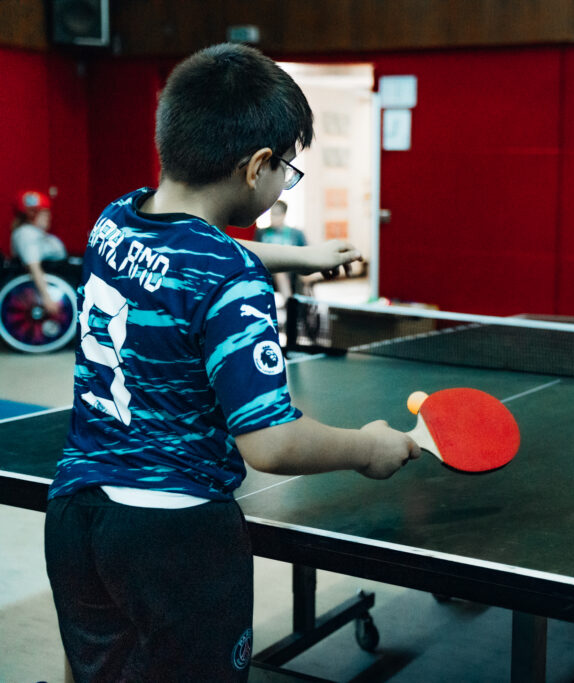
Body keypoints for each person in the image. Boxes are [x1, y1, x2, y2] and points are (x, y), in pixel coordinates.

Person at [44, 43, 419, 681]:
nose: (283, 187)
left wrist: (297, 257)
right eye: (287, 173)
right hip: (175, 537)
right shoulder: (232, 280)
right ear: (258, 166)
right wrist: (368, 447)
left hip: (78, 516)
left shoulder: (115, 220)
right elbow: (271, 444)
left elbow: (188, 258)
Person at [10, 189, 68, 315]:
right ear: (31, 215)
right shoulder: (26, 234)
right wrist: (47, 297)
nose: (49, 217)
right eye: (45, 214)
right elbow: (34, 266)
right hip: (51, 287)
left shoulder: (38, 234)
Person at [255, 199, 308, 298]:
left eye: (276, 214)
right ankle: (289, 304)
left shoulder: (296, 234)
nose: (272, 217)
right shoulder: (261, 233)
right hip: (268, 269)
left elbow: (305, 254)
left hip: (291, 270)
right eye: (272, 214)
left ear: (284, 215)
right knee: (280, 273)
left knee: (284, 273)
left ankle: (291, 304)